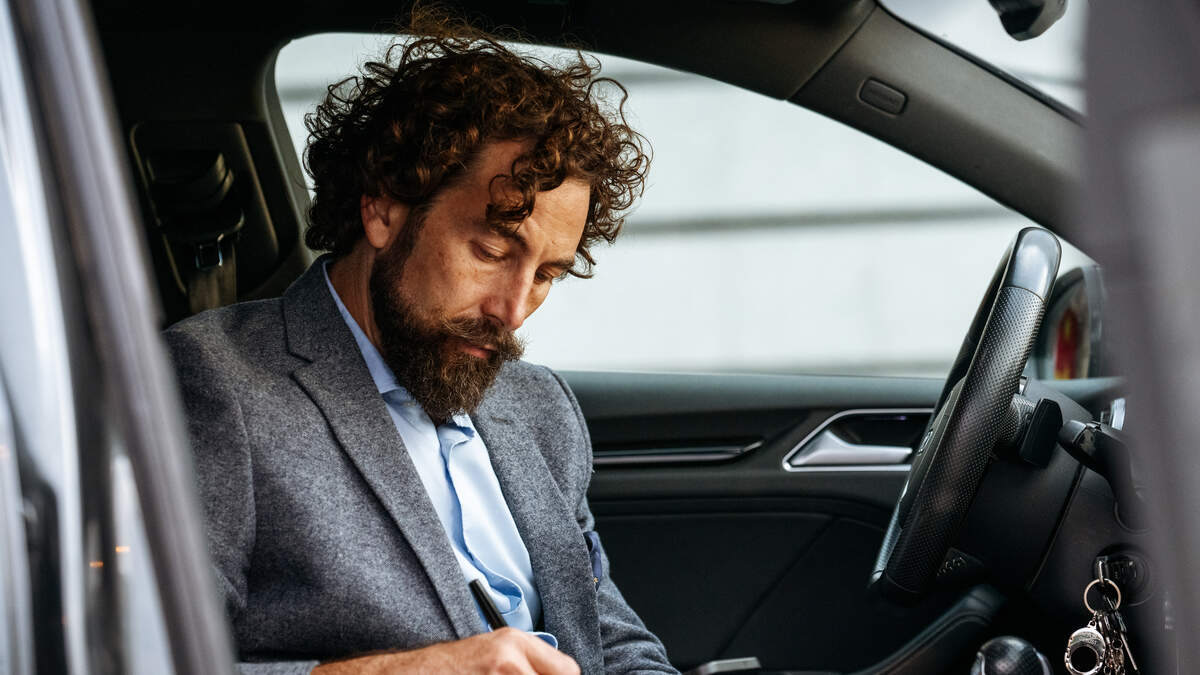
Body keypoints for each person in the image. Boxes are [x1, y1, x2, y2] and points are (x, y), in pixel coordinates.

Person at [164, 15, 674, 675]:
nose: (513, 311)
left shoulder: (540, 406)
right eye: (491, 251)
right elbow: (140, 657)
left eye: (547, 274)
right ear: (383, 208)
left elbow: (613, 643)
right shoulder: (215, 383)